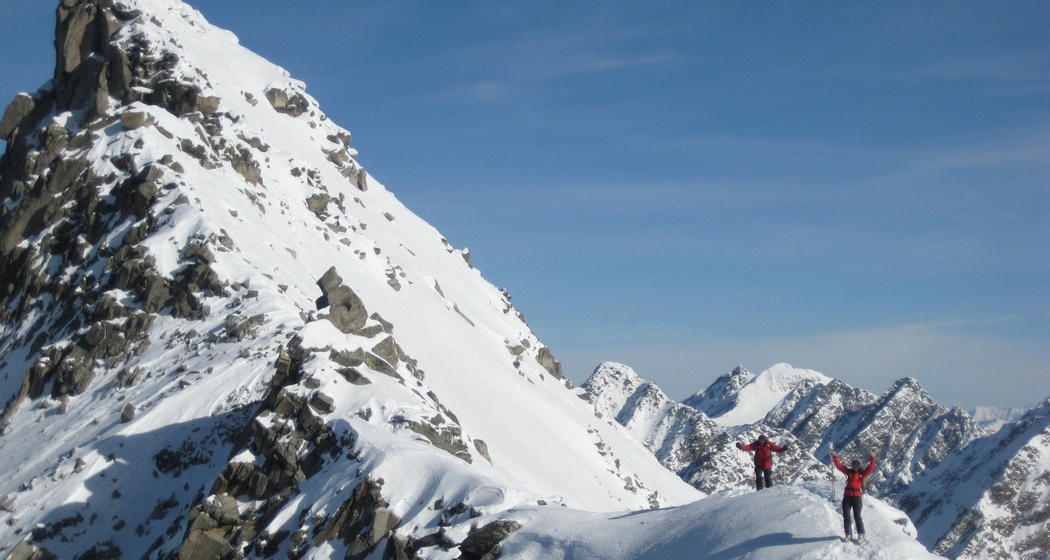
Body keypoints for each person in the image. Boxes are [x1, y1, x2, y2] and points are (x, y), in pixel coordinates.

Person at [832, 452, 877, 543]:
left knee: (857, 516)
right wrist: (835, 456)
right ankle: (848, 534)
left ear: (859, 466)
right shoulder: (849, 472)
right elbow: (839, 466)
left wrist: (872, 458)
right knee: (846, 516)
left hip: (857, 497)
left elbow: (871, 468)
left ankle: (861, 535)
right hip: (847, 496)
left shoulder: (863, 474)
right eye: (854, 465)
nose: (855, 467)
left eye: (857, 465)